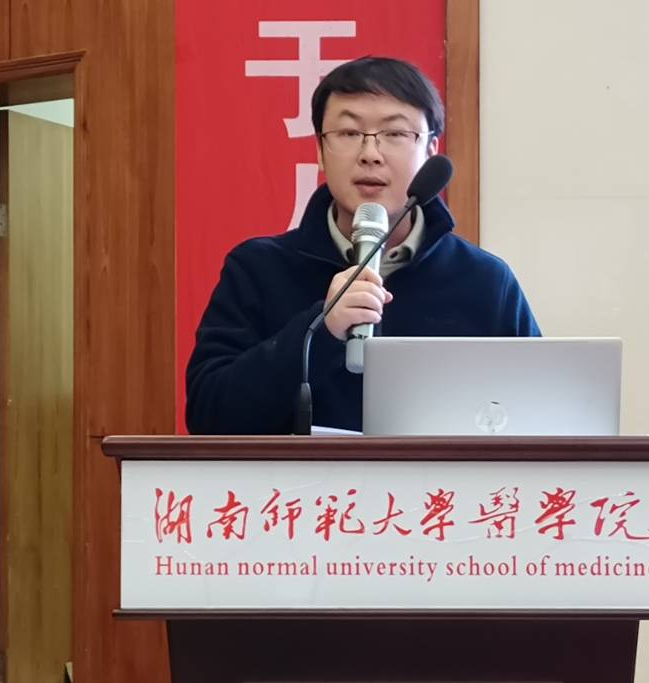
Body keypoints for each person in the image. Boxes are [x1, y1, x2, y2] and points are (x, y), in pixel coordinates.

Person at [186, 56, 540, 434]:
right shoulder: (258, 269)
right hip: (305, 477)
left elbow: (541, 414)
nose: (370, 154)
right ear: (320, 151)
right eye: (349, 133)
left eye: (395, 133)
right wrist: (320, 328)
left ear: (430, 151)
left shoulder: (485, 282)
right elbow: (209, 417)